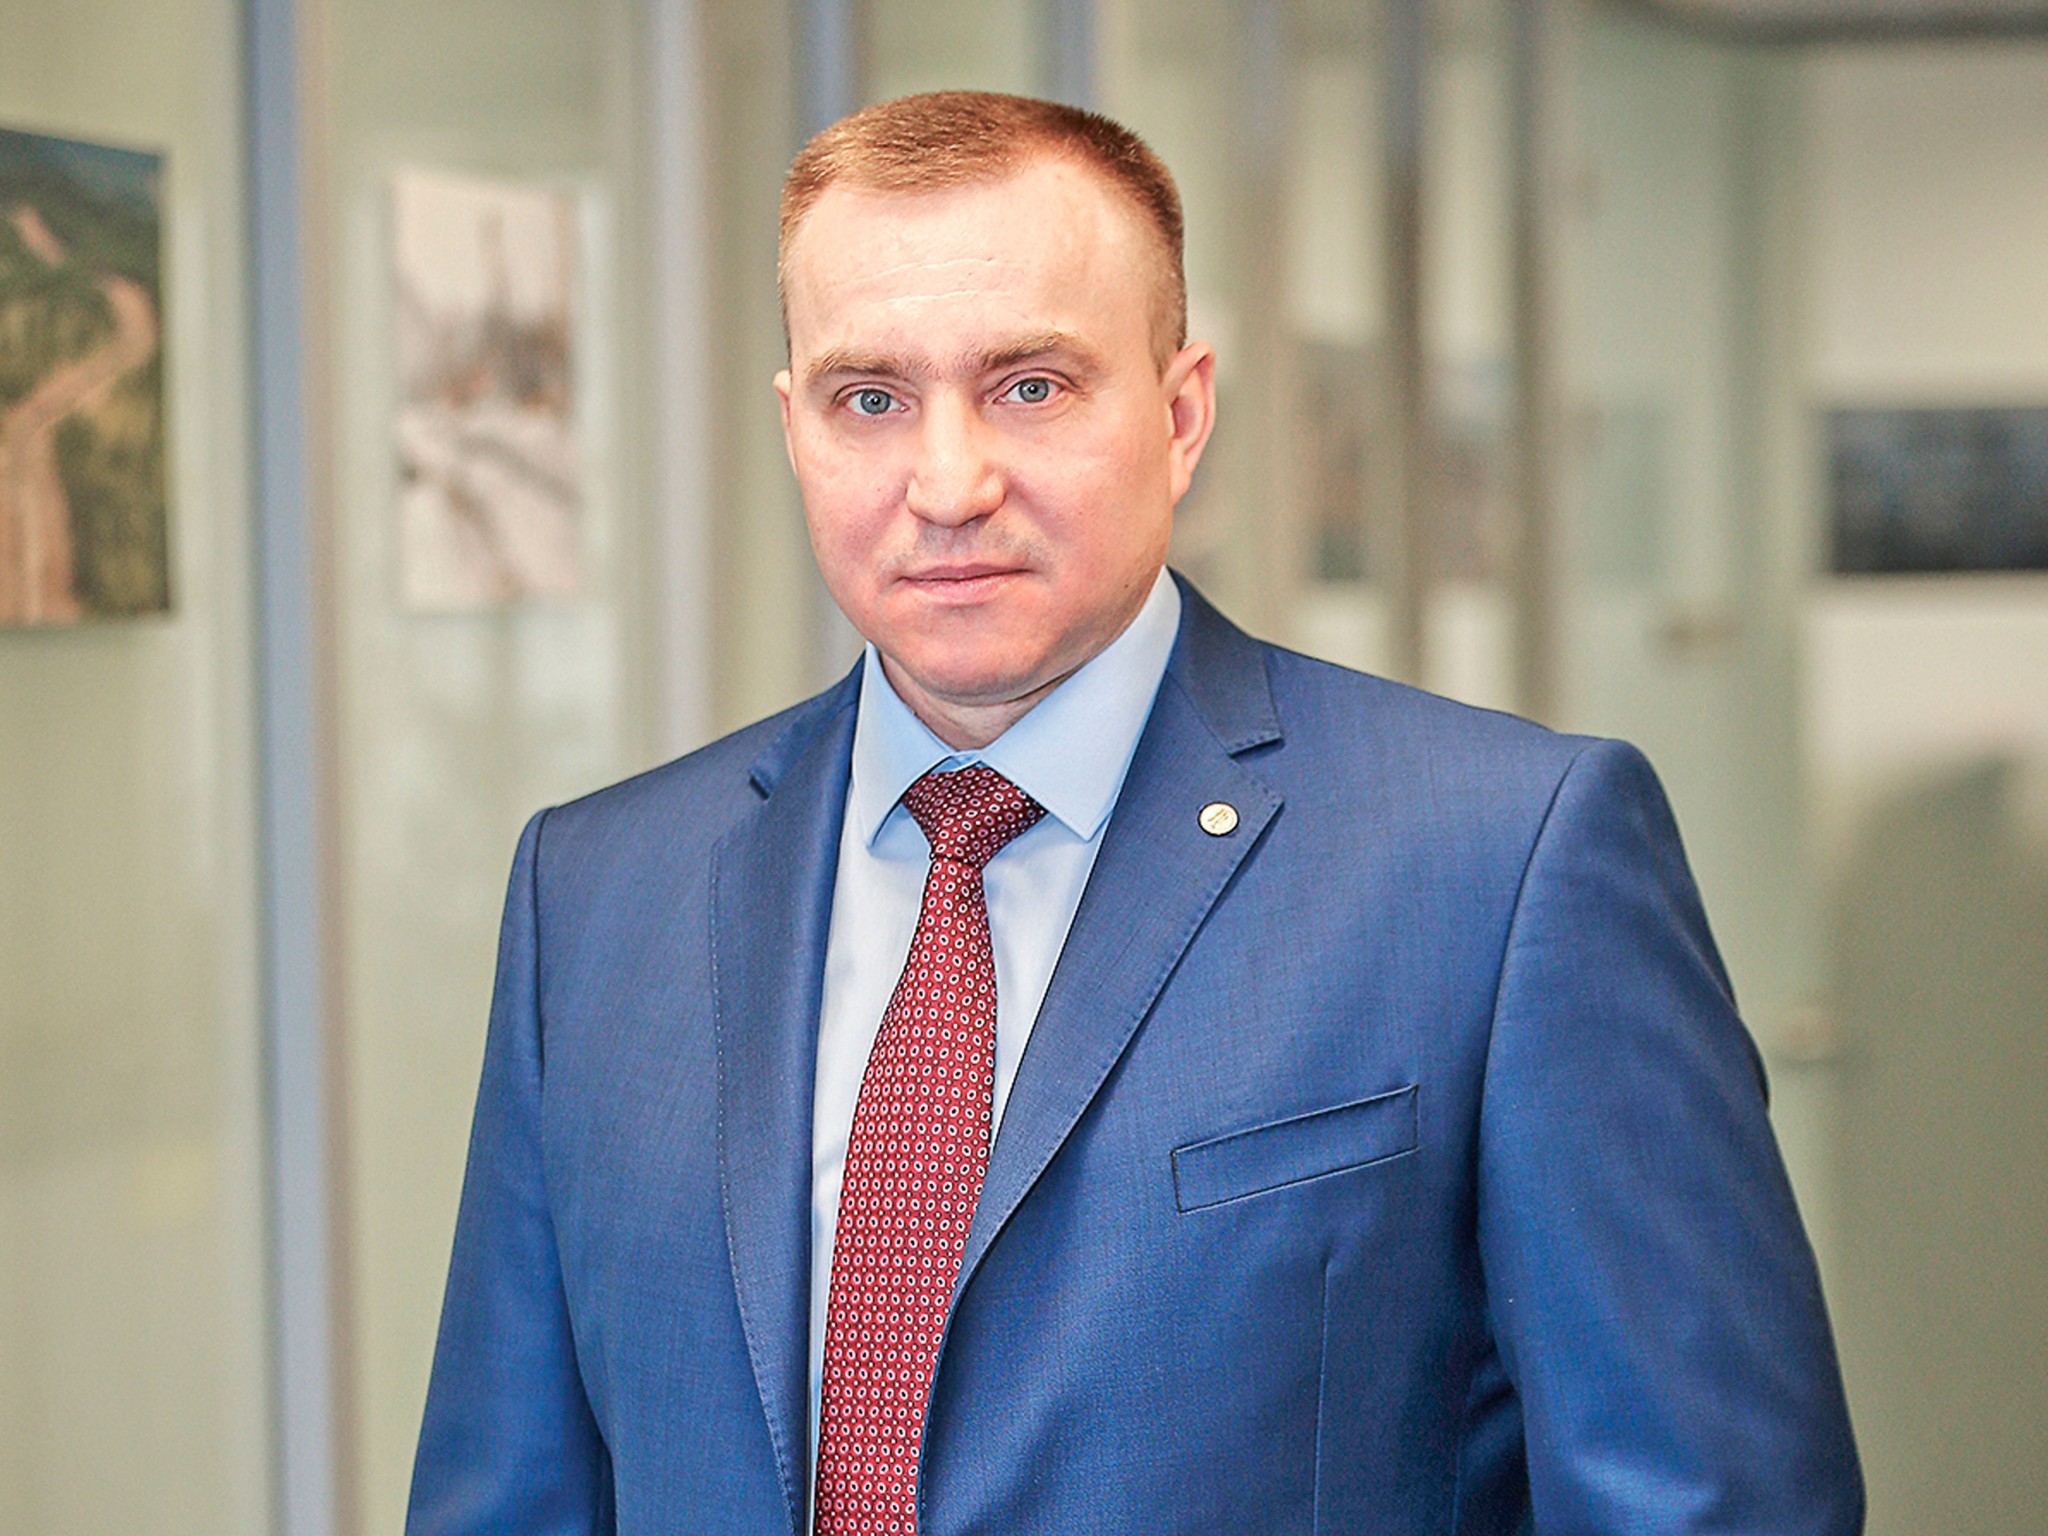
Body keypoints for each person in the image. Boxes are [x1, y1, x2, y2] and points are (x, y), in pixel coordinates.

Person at [409, 91, 1862, 1535]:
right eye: (872, 400)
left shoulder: (1504, 861)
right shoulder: (597, 896)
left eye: (1030, 387)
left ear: (1180, 414)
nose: (948, 483)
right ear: (796, 430)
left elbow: (1709, 1504)